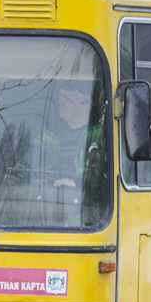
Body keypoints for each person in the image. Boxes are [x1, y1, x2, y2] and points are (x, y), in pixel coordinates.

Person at [41, 81, 106, 225]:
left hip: (85, 214)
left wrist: (77, 183)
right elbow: (37, 169)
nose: (60, 101)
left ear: (86, 99)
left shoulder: (101, 136)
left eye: (66, 96)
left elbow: (106, 178)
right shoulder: (50, 134)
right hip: (47, 210)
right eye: (59, 96)